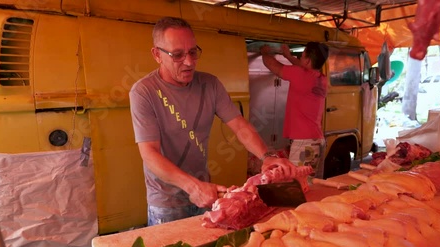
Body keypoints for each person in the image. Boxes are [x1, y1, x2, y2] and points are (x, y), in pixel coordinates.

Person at [129, 17, 296, 226]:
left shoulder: (210, 84)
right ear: (157, 55)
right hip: (166, 201)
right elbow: (149, 154)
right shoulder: (144, 92)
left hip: (205, 193)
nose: (189, 62)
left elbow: (239, 125)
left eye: (193, 52)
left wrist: (267, 156)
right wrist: (192, 187)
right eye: (178, 55)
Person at [260, 42, 329, 179]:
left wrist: (264, 52)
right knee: (312, 184)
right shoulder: (321, 79)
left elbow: (273, 66)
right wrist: (288, 56)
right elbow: (303, 67)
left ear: (308, 60)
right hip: (317, 141)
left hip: (304, 144)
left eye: (302, 56)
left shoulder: (300, 75)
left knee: (297, 184)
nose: (300, 59)